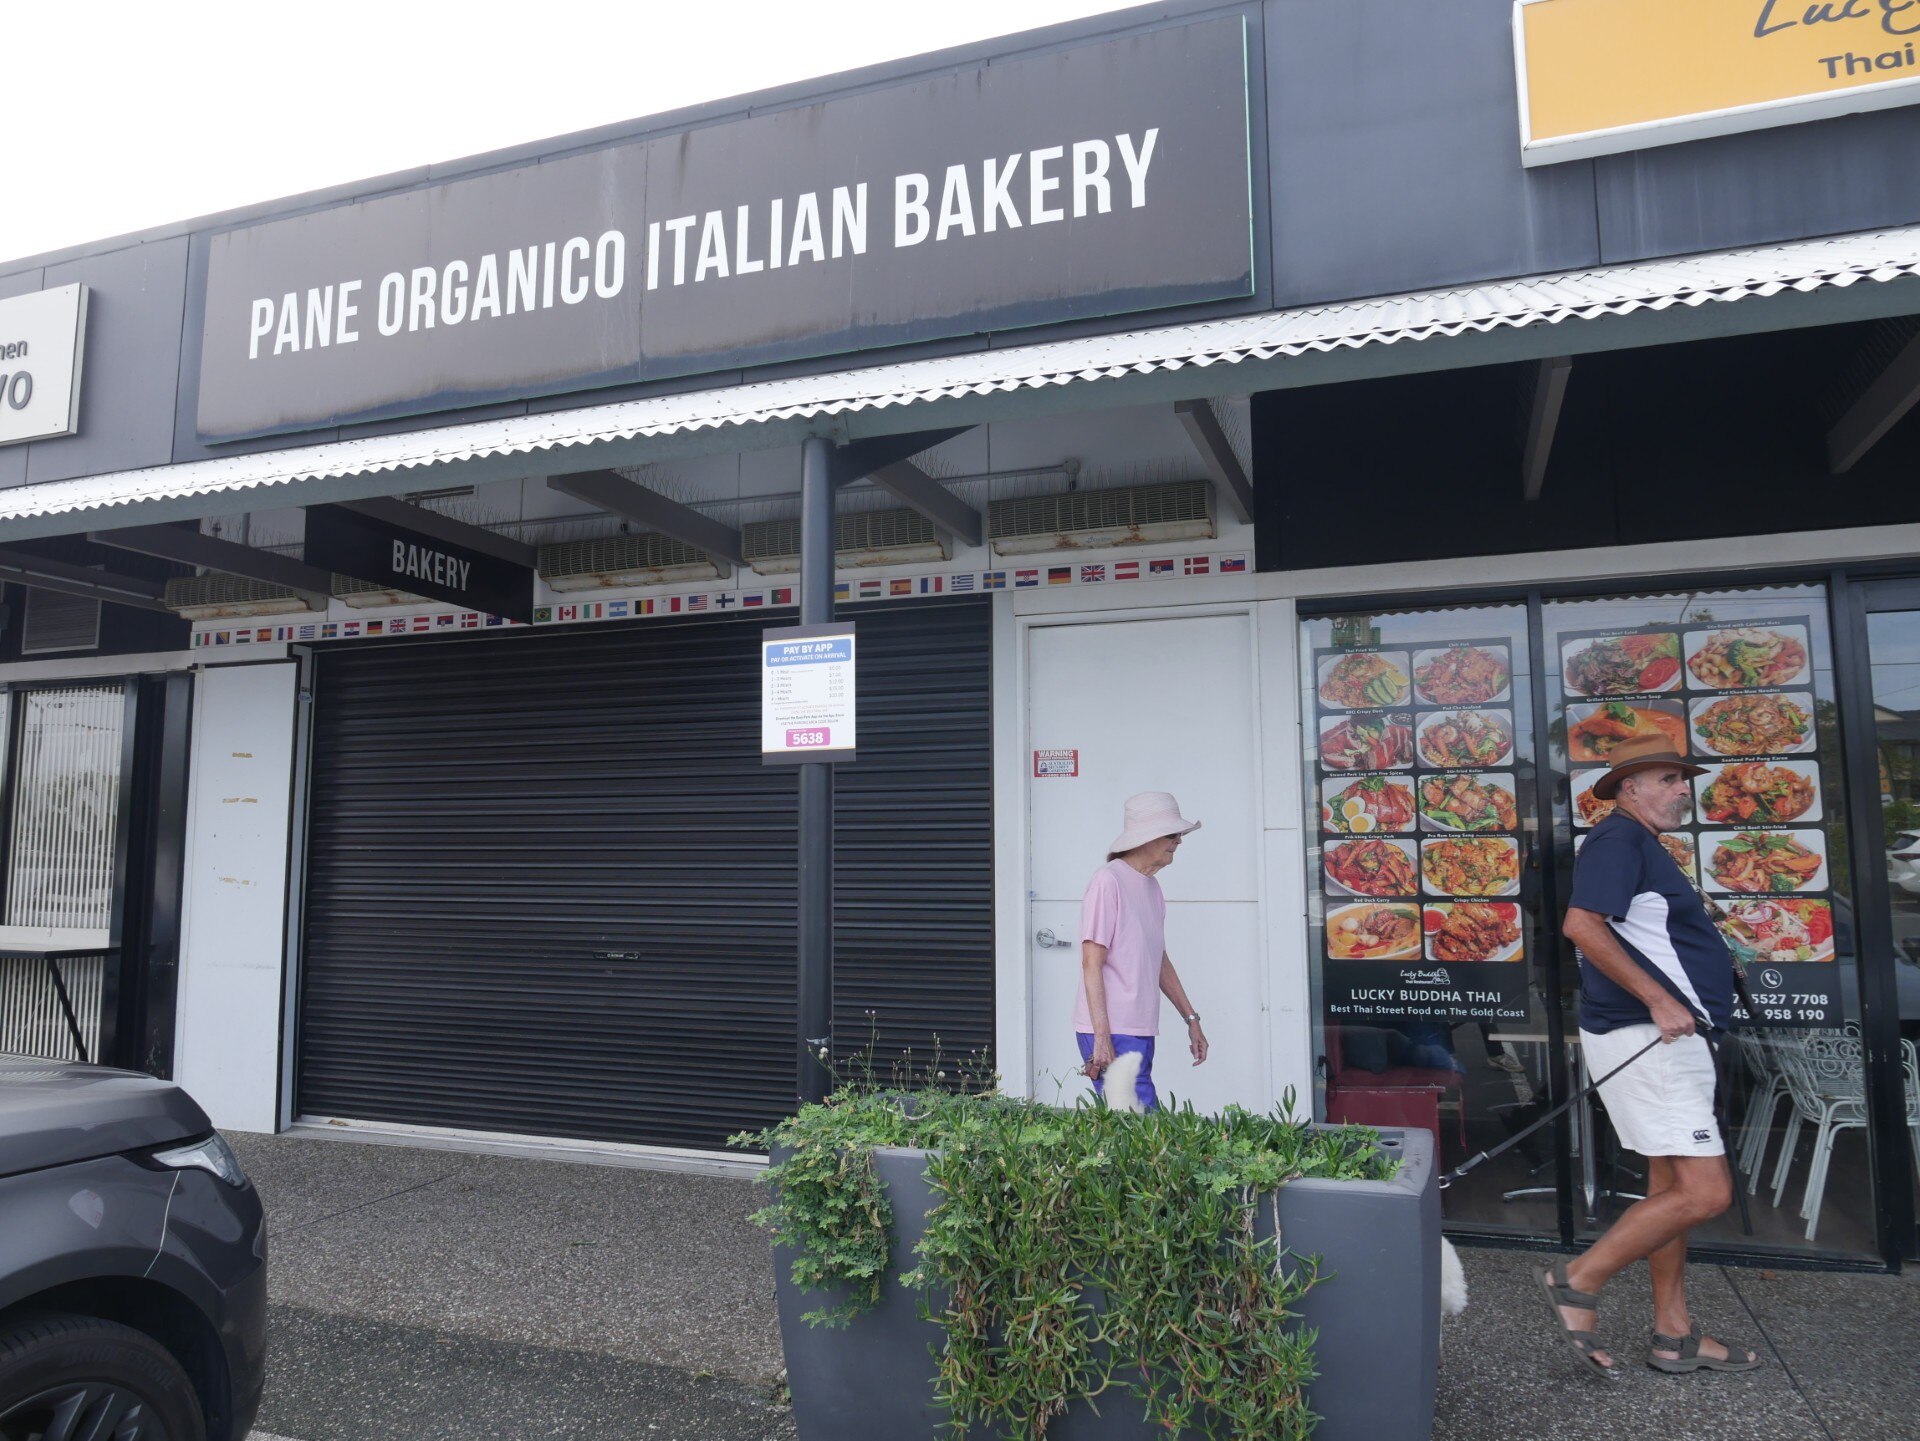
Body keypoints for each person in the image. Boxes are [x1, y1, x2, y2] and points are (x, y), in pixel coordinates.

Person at [1540, 731, 1762, 1379]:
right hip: (1651, 1038)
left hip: (1664, 1039)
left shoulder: (1640, 844)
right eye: (1665, 778)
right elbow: (1582, 924)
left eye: (1681, 778)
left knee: (1670, 1186)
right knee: (1706, 1191)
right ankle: (1577, 1281)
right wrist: (1659, 999)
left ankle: (1674, 1333)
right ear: (1629, 788)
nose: (1680, 788)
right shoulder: (1618, 839)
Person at [1075, 791, 1209, 1111]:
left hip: (1139, 1026)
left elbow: (1157, 958)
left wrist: (1191, 1019)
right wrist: (1102, 1037)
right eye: (1173, 834)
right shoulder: (1108, 881)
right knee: (1141, 1124)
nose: (1179, 841)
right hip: (1113, 1028)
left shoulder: (1151, 887)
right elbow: (1091, 963)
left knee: (1132, 1127)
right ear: (1146, 837)